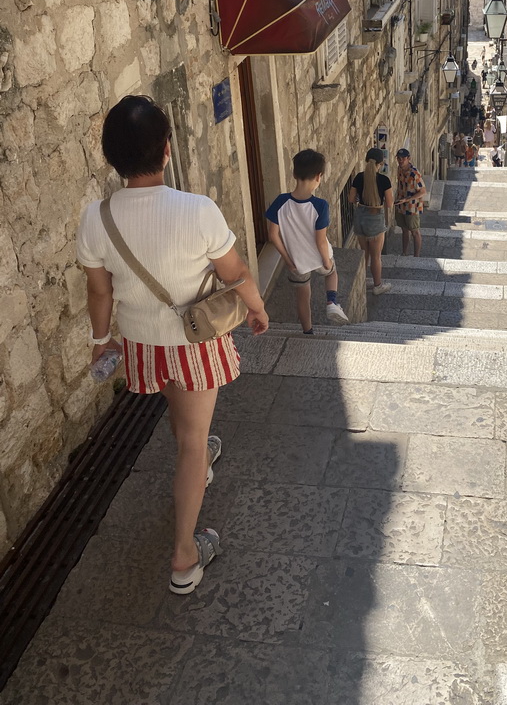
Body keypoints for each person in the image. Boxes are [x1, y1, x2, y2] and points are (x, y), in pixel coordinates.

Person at [76, 95, 269, 596]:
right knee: (189, 440)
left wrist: (101, 342)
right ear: (166, 149)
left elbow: (100, 291)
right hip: (194, 343)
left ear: (112, 157)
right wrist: (257, 308)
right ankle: (185, 554)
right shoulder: (197, 211)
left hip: (144, 345)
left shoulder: (95, 218)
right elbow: (237, 273)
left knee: (184, 423)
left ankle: (199, 452)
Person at [266, 149, 351, 335]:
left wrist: (288, 261)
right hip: (318, 257)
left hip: (296, 261)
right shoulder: (320, 205)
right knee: (331, 273)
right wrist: (326, 261)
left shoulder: (280, 202)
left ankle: (308, 332)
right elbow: (320, 241)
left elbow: (273, 235)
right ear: (319, 177)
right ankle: (331, 302)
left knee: (302, 297)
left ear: (294, 174)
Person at [349, 147, 393, 296]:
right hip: (375, 219)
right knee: (376, 256)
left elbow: (350, 199)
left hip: (360, 217)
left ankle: (362, 280)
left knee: (365, 253)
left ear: (367, 160)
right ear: (380, 163)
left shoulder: (358, 177)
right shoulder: (384, 180)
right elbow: (389, 203)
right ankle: (377, 285)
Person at [395, 148, 426, 257]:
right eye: (399, 158)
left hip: (412, 208)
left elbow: (423, 191)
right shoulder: (399, 169)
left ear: (409, 159)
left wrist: (407, 199)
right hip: (401, 206)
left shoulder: (414, 174)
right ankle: (404, 253)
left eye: (403, 158)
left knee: (415, 232)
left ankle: (416, 256)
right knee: (404, 230)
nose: (401, 160)